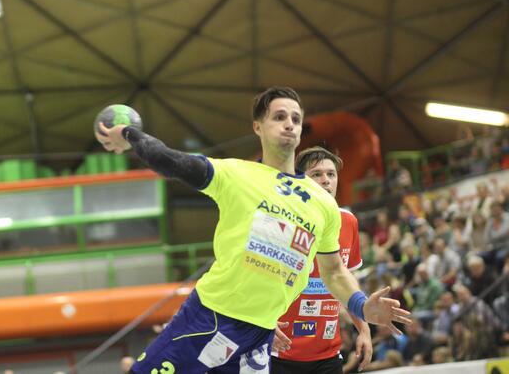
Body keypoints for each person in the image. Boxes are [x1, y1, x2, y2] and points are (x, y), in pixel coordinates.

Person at [96, 86, 411, 374]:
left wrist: (361, 305)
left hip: (260, 336)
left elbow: (334, 272)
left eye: (296, 119)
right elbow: (171, 161)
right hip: (210, 316)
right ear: (258, 126)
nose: (289, 123)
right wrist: (131, 134)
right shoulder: (234, 173)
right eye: (279, 116)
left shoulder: (323, 204)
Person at [271, 147, 373, 374]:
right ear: (300, 180)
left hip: (328, 354)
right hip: (278, 352)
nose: (325, 180)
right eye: (316, 174)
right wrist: (262, 322)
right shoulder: (282, 220)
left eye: (331, 174)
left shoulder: (348, 221)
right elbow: (257, 276)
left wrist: (364, 331)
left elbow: (348, 282)